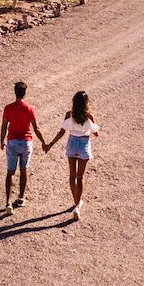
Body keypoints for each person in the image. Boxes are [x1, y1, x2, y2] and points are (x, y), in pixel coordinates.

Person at [45, 91, 99, 219]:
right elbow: (96, 133)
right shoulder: (89, 116)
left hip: (72, 143)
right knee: (80, 177)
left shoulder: (69, 115)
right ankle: (77, 206)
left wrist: (50, 144)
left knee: (72, 175)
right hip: (84, 144)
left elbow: (62, 132)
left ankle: (76, 202)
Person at [0, 81, 49, 216]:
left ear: (15, 92)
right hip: (26, 142)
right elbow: (36, 128)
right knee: (23, 170)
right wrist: (44, 142)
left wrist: (1, 140)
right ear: (25, 93)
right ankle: (21, 198)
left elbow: (4, 126)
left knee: (10, 172)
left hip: (12, 142)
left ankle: (8, 202)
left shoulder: (8, 108)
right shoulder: (29, 109)